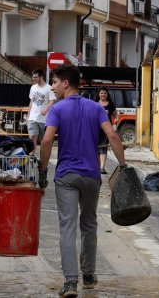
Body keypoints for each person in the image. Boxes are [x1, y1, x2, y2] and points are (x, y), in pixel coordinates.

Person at [38, 65, 127, 298]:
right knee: (89, 224)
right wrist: (124, 166)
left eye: (55, 82)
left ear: (66, 83)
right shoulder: (96, 108)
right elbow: (113, 136)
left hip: (66, 175)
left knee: (68, 226)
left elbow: (47, 141)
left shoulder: (57, 109)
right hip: (91, 175)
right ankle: (88, 274)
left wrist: (43, 168)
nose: (54, 87)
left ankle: (70, 282)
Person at [27, 69, 56, 154]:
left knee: (44, 140)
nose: (34, 79)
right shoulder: (33, 87)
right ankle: (31, 157)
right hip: (32, 117)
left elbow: (52, 100)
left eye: (35, 77)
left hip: (44, 119)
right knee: (32, 137)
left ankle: (43, 159)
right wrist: (28, 115)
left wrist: (46, 110)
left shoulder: (49, 88)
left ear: (41, 77)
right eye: (33, 77)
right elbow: (31, 101)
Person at [95, 86, 117, 174]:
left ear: (107, 94)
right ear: (99, 94)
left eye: (104, 93)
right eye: (101, 93)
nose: (103, 94)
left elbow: (115, 116)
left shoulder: (111, 104)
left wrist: (115, 124)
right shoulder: (95, 103)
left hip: (106, 130)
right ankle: (96, 166)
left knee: (103, 148)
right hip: (95, 129)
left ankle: (102, 168)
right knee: (95, 148)